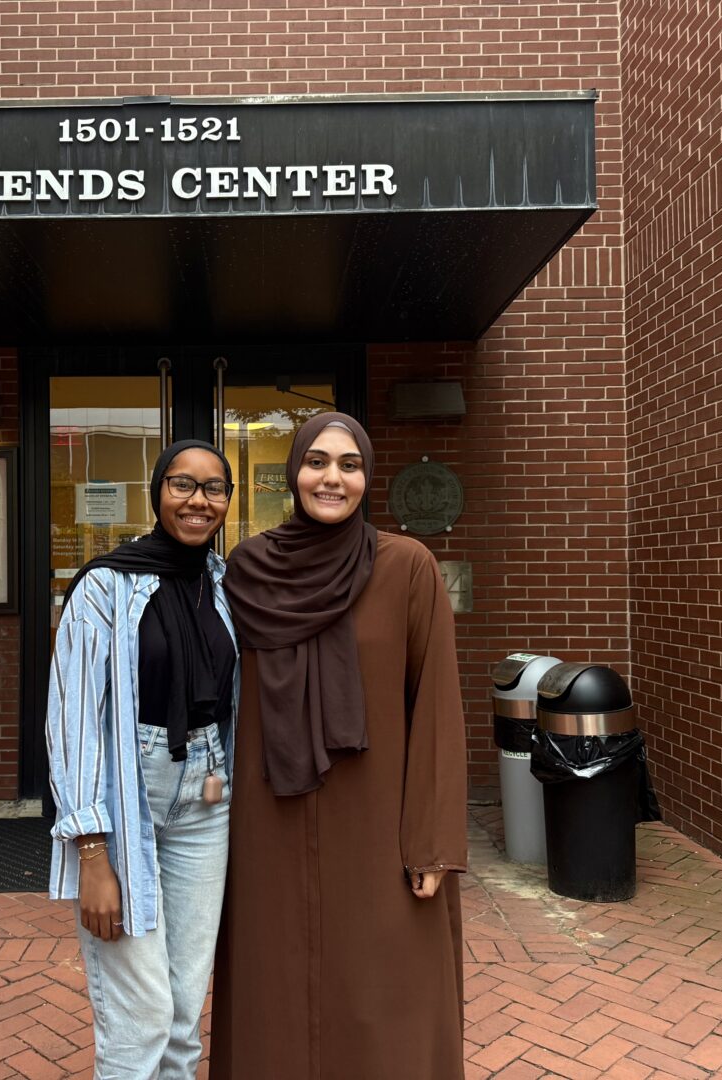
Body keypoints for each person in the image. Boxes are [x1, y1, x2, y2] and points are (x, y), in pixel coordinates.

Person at [211, 412, 466, 1079]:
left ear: (367, 476)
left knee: (391, 991)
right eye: (316, 461)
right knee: (275, 991)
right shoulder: (249, 569)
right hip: (268, 817)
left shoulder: (406, 567)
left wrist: (431, 839)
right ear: (293, 473)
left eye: (349, 465)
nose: (332, 478)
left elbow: (435, 706)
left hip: (378, 821)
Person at [45, 439, 239, 1080]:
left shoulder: (222, 585)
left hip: (207, 800)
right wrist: (92, 855)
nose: (198, 500)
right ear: (158, 493)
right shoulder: (106, 585)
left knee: (185, 1011)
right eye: (183, 484)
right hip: (128, 797)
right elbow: (70, 721)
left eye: (214, 488)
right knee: (142, 1015)